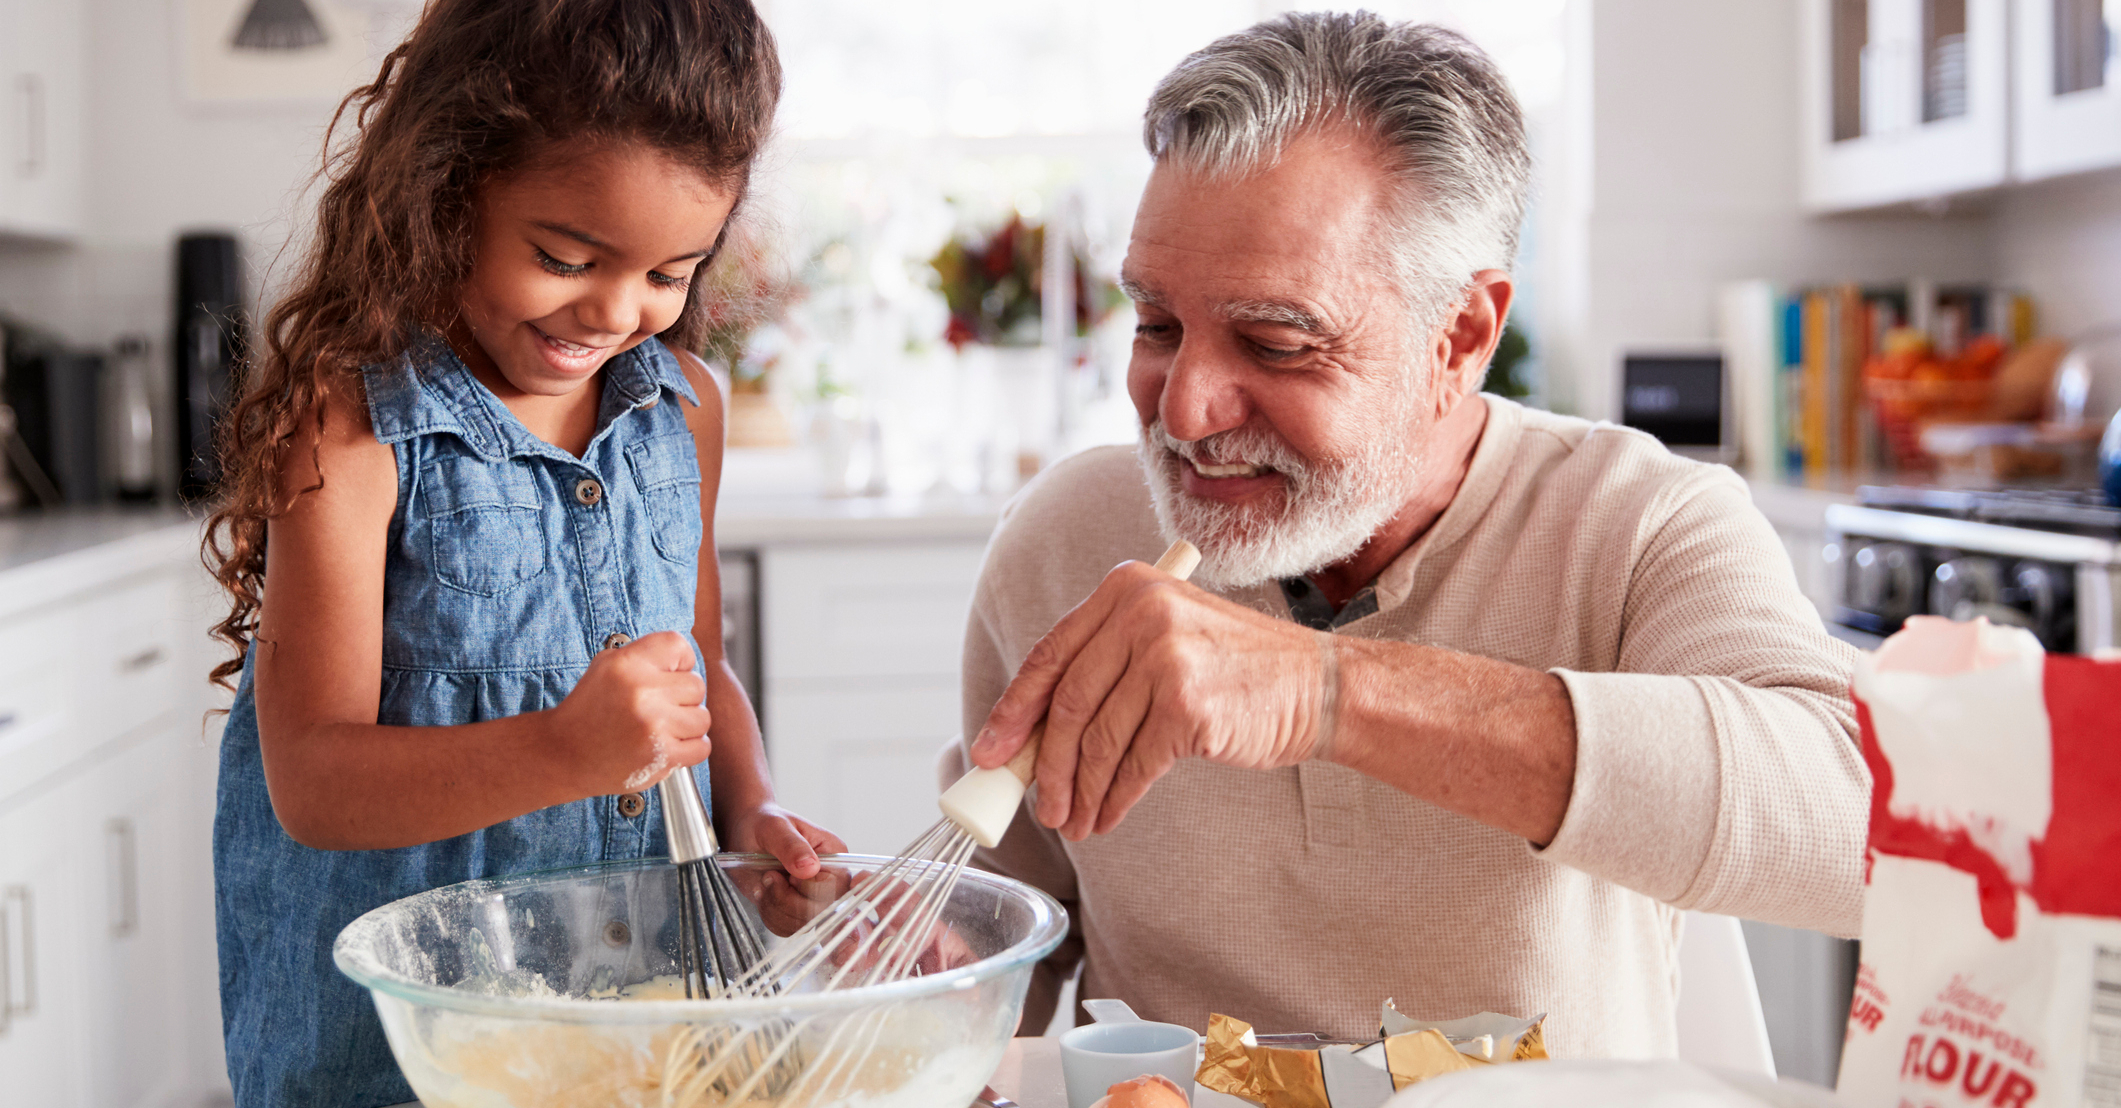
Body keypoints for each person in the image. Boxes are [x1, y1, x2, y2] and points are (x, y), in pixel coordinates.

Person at [952, 13, 1867, 1057]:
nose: (1185, 409)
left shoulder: (1637, 522)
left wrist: (1324, 691)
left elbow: (1859, 819)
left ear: (1462, 336)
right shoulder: (1066, 538)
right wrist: (924, 956)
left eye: (1276, 342)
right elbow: (1004, 925)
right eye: (1157, 326)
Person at [202, 2, 842, 1104]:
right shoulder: (350, 428)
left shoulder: (683, 410)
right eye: (564, 256)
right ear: (449, 187)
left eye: (669, 272)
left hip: (632, 1027)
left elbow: (696, 668)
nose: (613, 309)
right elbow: (312, 776)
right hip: (393, 1055)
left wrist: (755, 817)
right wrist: (563, 748)